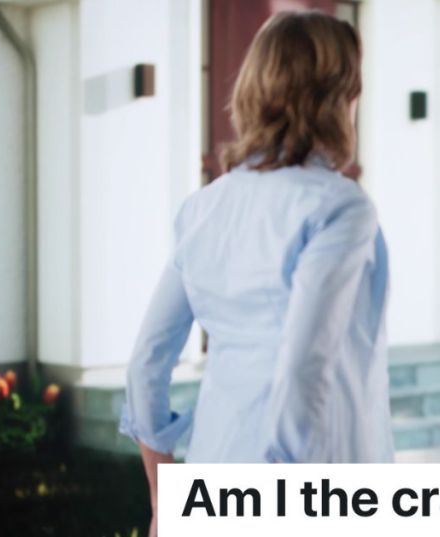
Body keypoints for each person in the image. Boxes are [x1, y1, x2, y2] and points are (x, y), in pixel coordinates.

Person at [119, 10, 392, 533]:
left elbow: (146, 364)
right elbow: (304, 362)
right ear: (337, 96)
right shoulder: (340, 206)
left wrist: (162, 497)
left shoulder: (204, 208)